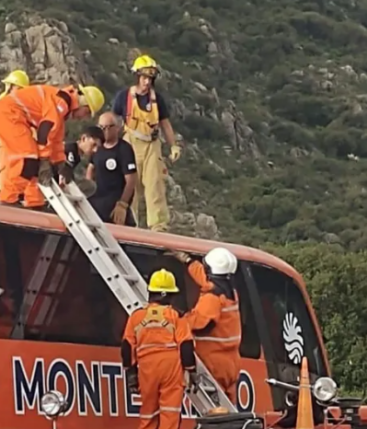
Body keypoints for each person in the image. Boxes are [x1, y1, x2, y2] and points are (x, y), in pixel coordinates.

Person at [0, 83, 105, 210]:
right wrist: (44, 160)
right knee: (28, 158)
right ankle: (7, 199)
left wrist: (60, 163)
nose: (83, 118)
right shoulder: (60, 103)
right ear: (83, 105)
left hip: (12, 115)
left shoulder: (62, 106)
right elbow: (46, 131)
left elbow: (56, 140)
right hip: (8, 115)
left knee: (33, 159)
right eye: (86, 113)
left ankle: (34, 202)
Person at [112, 55, 184, 232]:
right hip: (130, 143)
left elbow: (165, 123)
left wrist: (173, 145)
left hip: (152, 144)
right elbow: (114, 121)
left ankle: (158, 226)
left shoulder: (157, 99)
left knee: (155, 186)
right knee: (130, 186)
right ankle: (131, 224)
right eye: (144, 78)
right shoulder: (124, 97)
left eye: (150, 79)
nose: (146, 82)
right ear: (137, 77)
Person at [122, 268, 197, 429]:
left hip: (147, 368)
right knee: (170, 413)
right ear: (167, 295)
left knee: (148, 413)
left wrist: (131, 373)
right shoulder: (176, 316)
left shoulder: (136, 317)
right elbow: (186, 345)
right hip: (171, 367)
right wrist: (191, 370)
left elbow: (127, 348)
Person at [167, 247, 242, 405]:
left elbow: (200, 323)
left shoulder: (211, 299)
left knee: (215, 416)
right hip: (231, 364)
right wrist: (188, 261)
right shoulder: (231, 293)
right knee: (229, 413)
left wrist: (175, 318)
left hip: (213, 365)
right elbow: (206, 280)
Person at [0, 70, 37, 202]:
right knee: (7, 190)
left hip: (24, 153)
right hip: (7, 154)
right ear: (10, 87)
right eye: (18, 88)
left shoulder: (25, 107)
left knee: (24, 189)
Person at [86, 112, 138, 226]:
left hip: (115, 205)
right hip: (96, 202)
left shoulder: (124, 149)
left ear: (117, 128)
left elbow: (131, 179)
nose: (104, 130)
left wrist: (123, 204)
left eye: (108, 127)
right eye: (101, 127)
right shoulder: (97, 147)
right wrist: (86, 189)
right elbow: (90, 168)